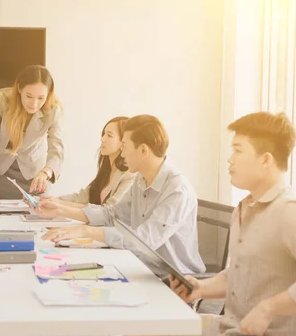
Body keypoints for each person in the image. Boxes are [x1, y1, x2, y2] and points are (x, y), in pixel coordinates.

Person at [169, 112, 296, 336]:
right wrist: (201, 288)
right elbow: (242, 275)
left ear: (266, 160)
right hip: (227, 331)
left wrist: (268, 308)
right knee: (143, 330)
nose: (230, 159)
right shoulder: (245, 209)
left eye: (238, 150)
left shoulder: (294, 213)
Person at [41, 115, 205, 275]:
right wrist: (61, 211)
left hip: (174, 281)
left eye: (125, 146)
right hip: (139, 266)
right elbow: (113, 214)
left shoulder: (177, 190)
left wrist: (85, 231)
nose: (122, 152)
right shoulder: (141, 179)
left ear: (143, 150)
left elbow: (144, 241)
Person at [0, 65, 64, 208]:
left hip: (37, 174)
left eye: (41, 98)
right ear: (19, 88)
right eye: (29, 96)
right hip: (4, 171)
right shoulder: (1, 101)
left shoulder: (53, 110)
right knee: (6, 217)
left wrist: (46, 172)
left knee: (36, 219)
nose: (34, 104)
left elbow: (57, 148)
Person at [53, 116, 135, 207]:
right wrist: (53, 200)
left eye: (109, 135)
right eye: (104, 134)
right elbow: (82, 197)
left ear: (123, 142)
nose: (102, 139)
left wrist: (60, 205)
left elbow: (109, 210)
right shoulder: (106, 171)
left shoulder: (129, 175)